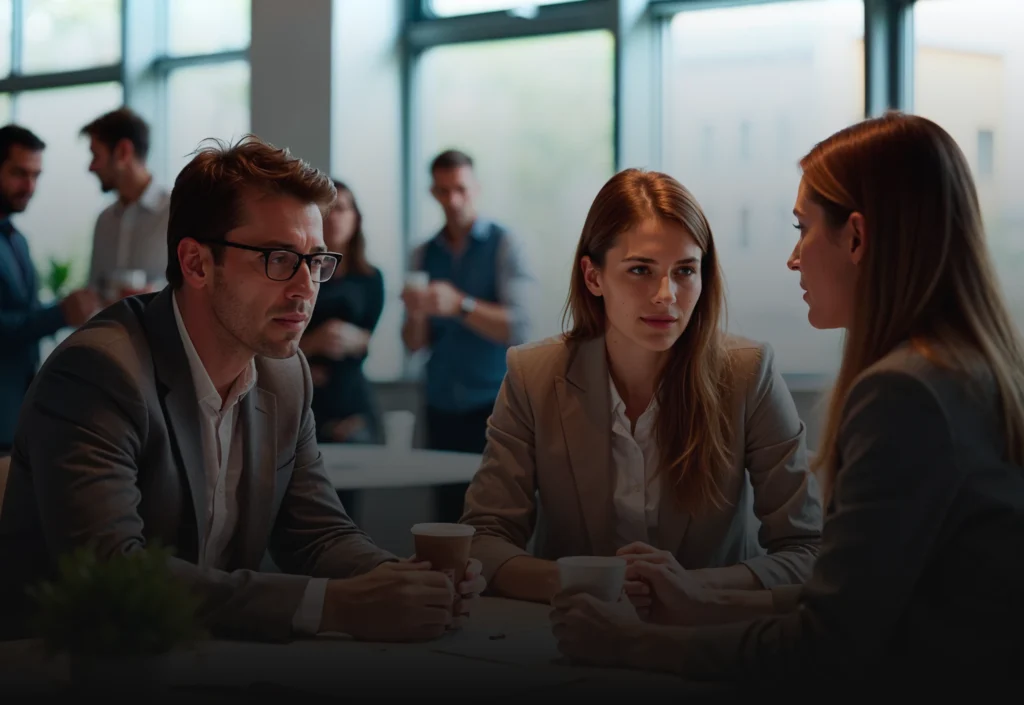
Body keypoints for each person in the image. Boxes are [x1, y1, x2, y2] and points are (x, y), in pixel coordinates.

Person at [549, 113, 1024, 684]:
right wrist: (704, 604)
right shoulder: (969, 369)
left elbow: (824, 647)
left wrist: (632, 644)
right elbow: (855, 602)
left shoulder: (904, 394)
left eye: (802, 227)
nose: (794, 258)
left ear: (855, 236)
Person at [0, 135, 484, 642]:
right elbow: (115, 572)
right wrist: (331, 605)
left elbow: (318, 533)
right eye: (278, 259)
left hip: (211, 661)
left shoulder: (284, 371)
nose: (305, 289)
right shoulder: (97, 374)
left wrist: (401, 581)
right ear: (196, 264)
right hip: (70, 666)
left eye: (317, 261)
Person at [460, 168, 822, 608]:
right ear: (593, 277)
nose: (666, 294)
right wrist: (592, 582)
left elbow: (809, 550)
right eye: (640, 270)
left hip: (704, 644)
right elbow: (483, 542)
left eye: (685, 270)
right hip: (568, 636)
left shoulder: (749, 373)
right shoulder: (533, 374)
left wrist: (695, 589)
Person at [401, 149, 535, 522]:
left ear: (475, 187)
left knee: (496, 513)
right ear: (432, 192)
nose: (453, 200)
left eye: (460, 188)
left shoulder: (505, 244)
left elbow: (520, 327)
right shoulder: (423, 254)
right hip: (440, 404)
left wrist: (460, 304)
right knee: (445, 515)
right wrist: (415, 312)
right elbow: (414, 344)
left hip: (495, 405)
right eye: (443, 191)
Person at [0, 125, 98, 453]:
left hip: (19, 413)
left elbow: (22, 314)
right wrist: (58, 314)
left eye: (36, 175)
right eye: (19, 173)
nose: (30, 186)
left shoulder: (18, 240)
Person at [301, 179, 385, 446]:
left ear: (356, 218)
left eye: (342, 209)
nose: (334, 217)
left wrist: (354, 339)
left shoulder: (371, 278)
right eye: (326, 210)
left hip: (351, 397)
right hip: (304, 392)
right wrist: (312, 344)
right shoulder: (300, 271)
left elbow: (370, 338)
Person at [81, 107, 170, 302]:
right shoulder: (104, 220)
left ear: (123, 151)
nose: (91, 167)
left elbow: (201, 286)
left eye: (96, 156)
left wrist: (154, 293)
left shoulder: (177, 212)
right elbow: (93, 290)